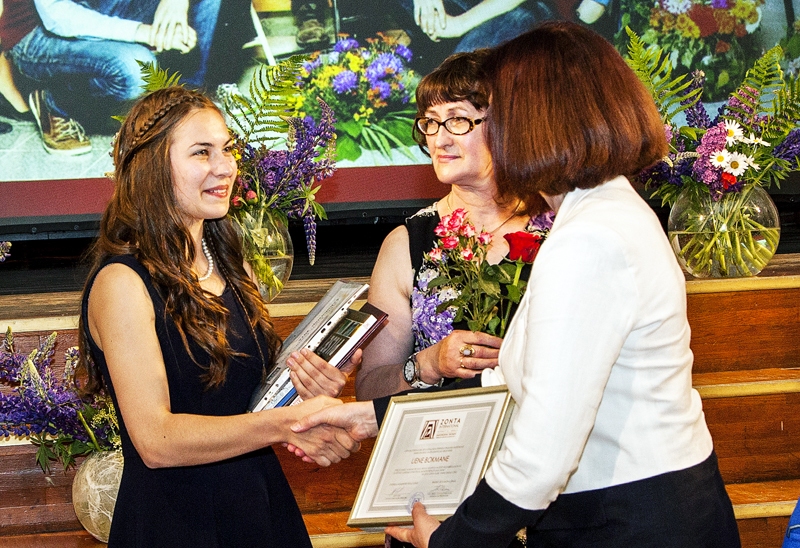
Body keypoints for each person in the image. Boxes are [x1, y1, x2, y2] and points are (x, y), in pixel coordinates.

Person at [293, 21, 742, 547]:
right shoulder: (598, 213)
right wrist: (367, 416)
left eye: (491, 113)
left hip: (627, 521)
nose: (472, 133)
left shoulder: (588, 238)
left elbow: (544, 449)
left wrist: (450, 541)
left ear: (538, 121)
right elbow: (513, 381)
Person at [77, 86, 360, 547]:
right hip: (174, 524)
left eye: (227, 149)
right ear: (150, 168)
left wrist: (313, 383)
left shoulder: (230, 261)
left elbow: (248, 399)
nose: (225, 166)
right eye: (202, 152)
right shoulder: (121, 283)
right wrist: (283, 425)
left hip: (260, 507)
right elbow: (156, 441)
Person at [355, 49, 551, 402]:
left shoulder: (560, 225)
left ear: (506, 125)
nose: (439, 139)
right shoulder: (406, 245)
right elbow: (369, 390)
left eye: (458, 120)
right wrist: (427, 364)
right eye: (430, 122)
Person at [2, 0, 221, 155]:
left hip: (102, 7)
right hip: (37, 33)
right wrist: (143, 32)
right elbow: (59, 17)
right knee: (137, 69)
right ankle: (55, 102)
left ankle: (185, 114)